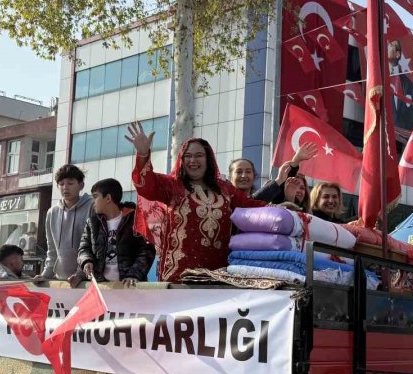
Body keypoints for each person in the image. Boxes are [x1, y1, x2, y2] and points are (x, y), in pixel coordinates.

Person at [126, 121, 265, 282]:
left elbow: (251, 206)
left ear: (208, 159)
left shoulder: (225, 189)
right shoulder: (172, 185)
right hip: (180, 277)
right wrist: (143, 155)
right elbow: (146, 187)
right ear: (182, 160)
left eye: (199, 155)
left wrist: (289, 212)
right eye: (188, 156)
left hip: (218, 276)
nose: (193, 160)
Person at [76, 178, 155, 286]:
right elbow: (84, 248)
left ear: (108, 198)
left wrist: (134, 274)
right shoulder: (92, 223)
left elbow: (147, 250)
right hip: (102, 288)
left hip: (130, 287)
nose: (92, 201)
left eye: (95, 196)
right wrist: (86, 261)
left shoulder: (135, 219)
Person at [39, 164, 93, 283]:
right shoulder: (52, 212)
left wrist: (80, 274)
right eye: (61, 184)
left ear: (81, 185)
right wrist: (46, 274)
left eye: (70, 183)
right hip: (60, 280)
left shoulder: (91, 206)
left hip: (87, 280)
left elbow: (93, 246)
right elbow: (51, 249)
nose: (65, 187)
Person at [252, 142, 317, 210]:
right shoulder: (273, 209)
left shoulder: (311, 216)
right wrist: (296, 161)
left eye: (302, 188)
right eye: (292, 185)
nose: (296, 189)